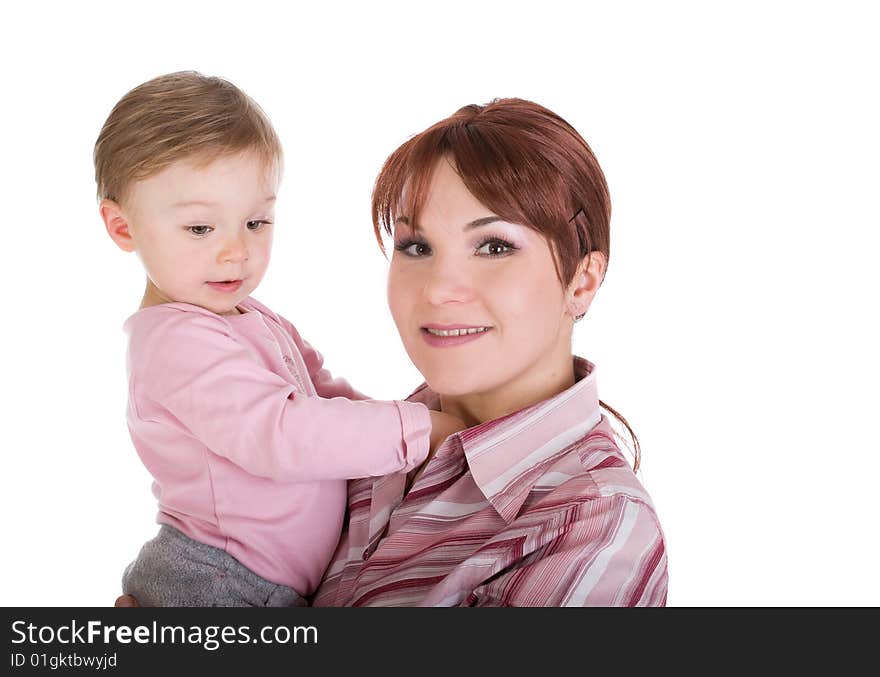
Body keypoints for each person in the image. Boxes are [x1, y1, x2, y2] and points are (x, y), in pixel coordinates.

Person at [117, 96, 668, 607]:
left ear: (582, 280)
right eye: (416, 246)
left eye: (494, 245)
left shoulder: (596, 524)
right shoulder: (376, 449)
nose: (438, 287)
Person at [96, 71, 465, 607]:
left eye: (256, 221)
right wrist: (417, 429)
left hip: (263, 582)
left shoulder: (243, 312)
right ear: (123, 227)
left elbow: (319, 393)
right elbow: (282, 434)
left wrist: (398, 420)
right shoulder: (176, 343)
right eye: (201, 229)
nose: (236, 251)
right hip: (218, 582)